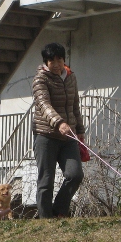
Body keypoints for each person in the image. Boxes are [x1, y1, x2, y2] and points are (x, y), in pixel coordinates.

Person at [31, 42, 85, 219]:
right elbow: (43, 104)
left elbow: (75, 105)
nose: (56, 64)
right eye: (52, 61)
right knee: (46, 180)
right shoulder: (40, 79)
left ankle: (58, 210)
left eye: (59, 60)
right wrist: (59, 123)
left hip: (68, 136)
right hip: (45, 135)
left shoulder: (70, 77)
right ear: (45, 62)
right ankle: (45, 219)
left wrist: (80, 129)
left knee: (75, 175)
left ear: (64, 60)